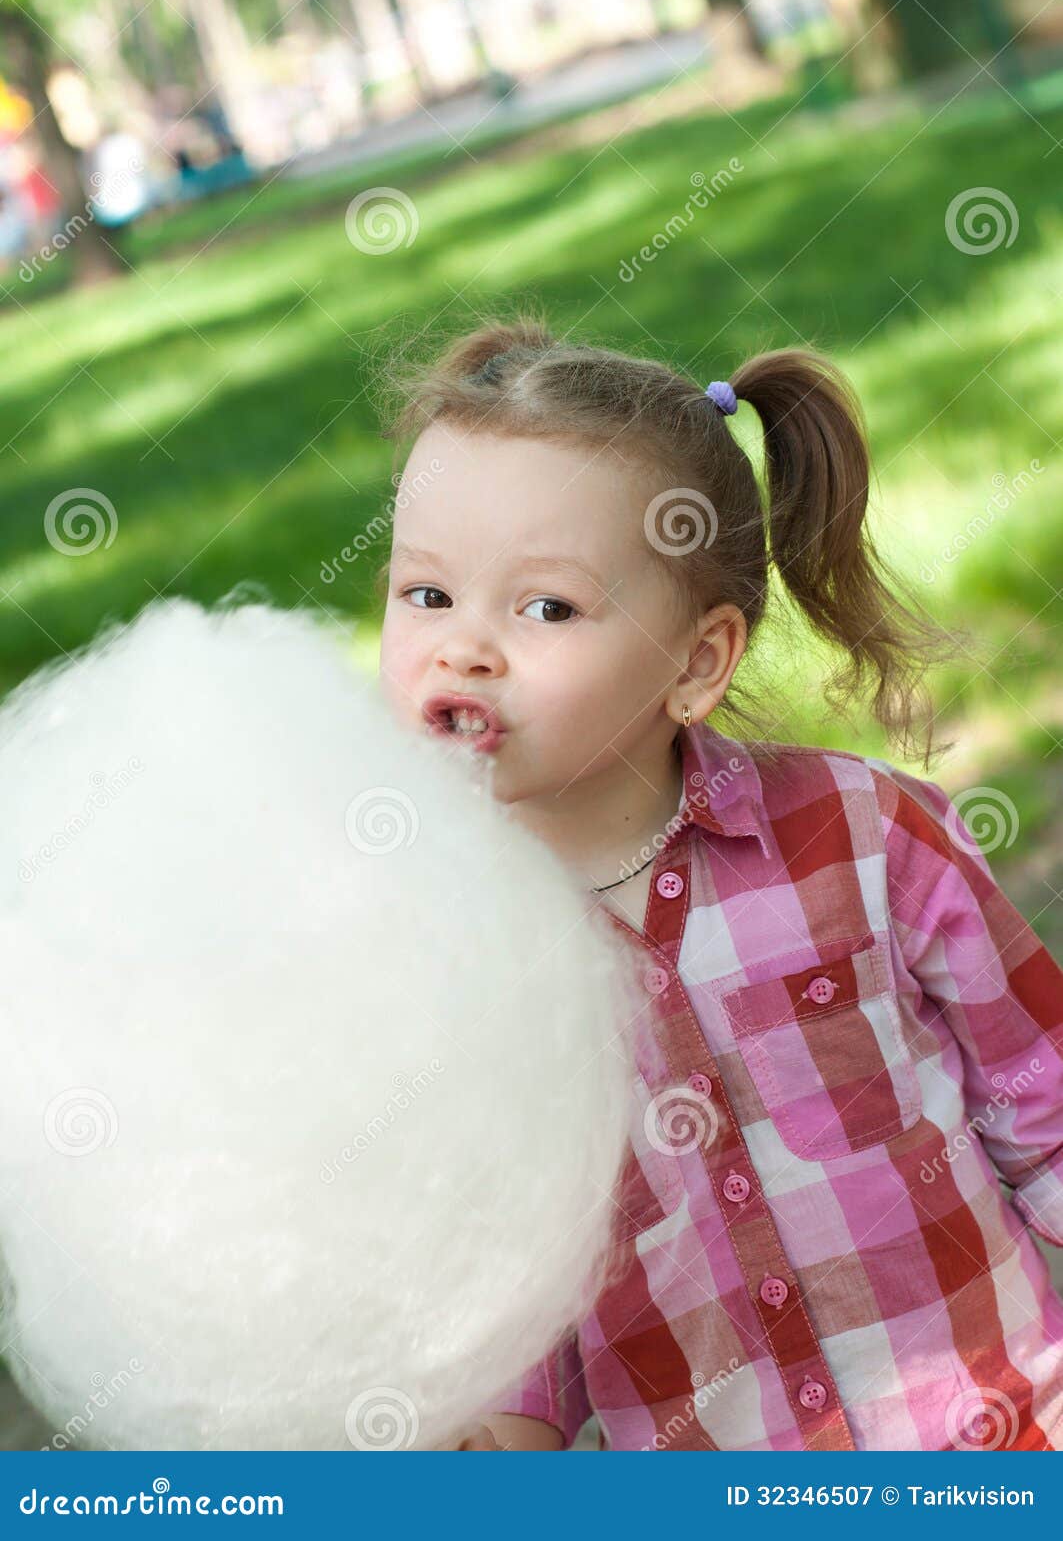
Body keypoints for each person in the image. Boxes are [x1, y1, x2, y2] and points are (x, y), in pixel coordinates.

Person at [376, 316, 1063, 1452]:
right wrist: (499, 1430)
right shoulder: (435, 956)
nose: (464, 648)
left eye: (544, 606)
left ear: (696, 662)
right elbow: (501, 1292)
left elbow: (1043, 1111)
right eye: (425, 594)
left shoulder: (869, 839)